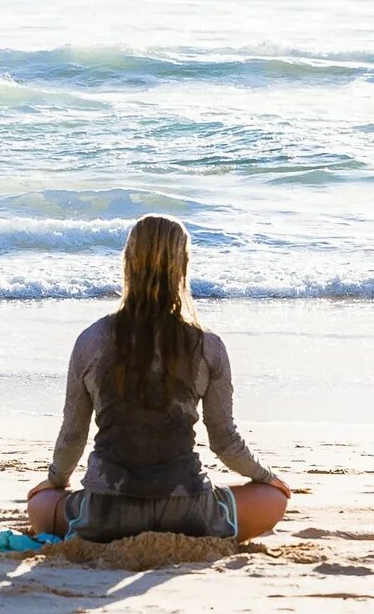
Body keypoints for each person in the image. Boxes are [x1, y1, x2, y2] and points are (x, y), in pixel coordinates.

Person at [25, 215, 291, 543]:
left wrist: (55, 481)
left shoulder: (92, 340)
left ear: (128, 262)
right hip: (187, 510)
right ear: (183, 265)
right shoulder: (207, 345)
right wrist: (267, 477)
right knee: (274, 498)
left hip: (105, 512)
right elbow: (224, 441)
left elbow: (72, 436)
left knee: (39, 503)